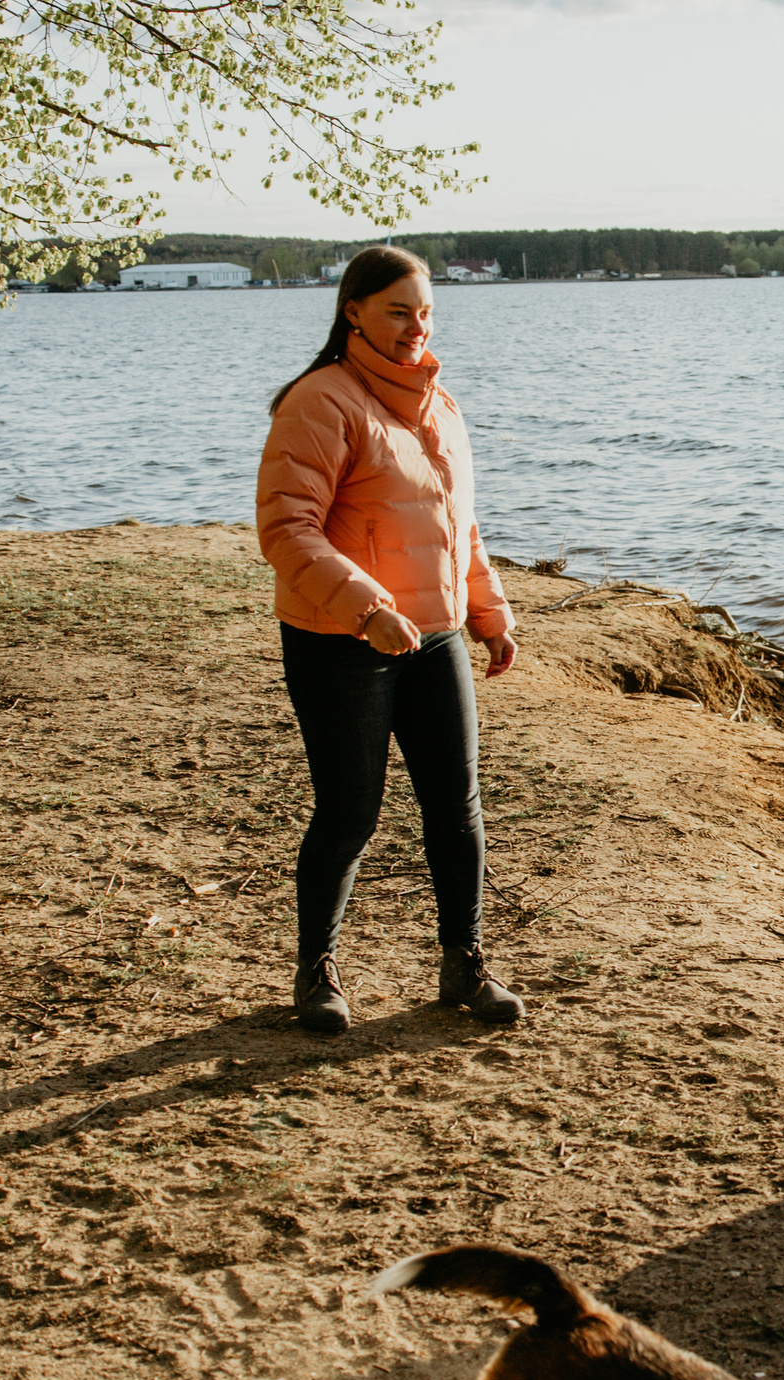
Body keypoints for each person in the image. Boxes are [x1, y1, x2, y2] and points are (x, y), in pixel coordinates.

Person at [255, 245, 523, 1033]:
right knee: (349, 812)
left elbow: (457, 526)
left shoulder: (440, 405)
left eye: (426, 312)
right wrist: (367, 606)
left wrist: (489, 612)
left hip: (433, 637)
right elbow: (286, 528)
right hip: (341, 641)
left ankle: (463, 963)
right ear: (354, 312)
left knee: (457, 806)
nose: (416, 327)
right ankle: (317, 974)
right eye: (399, 311)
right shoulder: (320, 401)